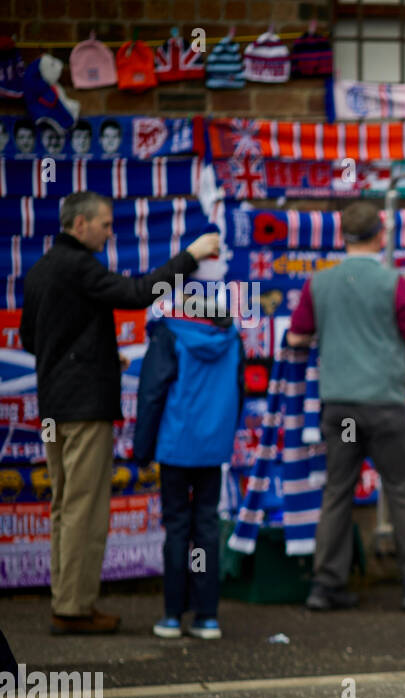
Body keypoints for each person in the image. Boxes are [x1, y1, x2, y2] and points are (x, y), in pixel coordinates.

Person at [20, 191, 221, 635]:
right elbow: (138, 294)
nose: (111, 233)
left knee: (63, 506)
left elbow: (32, 339)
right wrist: (190, 255)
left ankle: (66, 599)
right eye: (105, 224)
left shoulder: (40, 270)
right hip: (84, 407)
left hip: (53, 405)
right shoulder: (80, 266)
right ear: (79, 226)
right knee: (85, 509)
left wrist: (97, 360)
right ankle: (74, 608)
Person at [286, 200, 405, 612]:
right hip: (383, 403)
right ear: (381, 235)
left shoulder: (318, 284)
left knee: (337, 491)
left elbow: (298, 338)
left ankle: (324, 585)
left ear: (342, 237)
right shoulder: (395, 283)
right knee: (400, 492)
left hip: (338, 405)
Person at [133, 298, 244, 640]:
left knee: (178, 528)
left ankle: (171, 615)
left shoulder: (169, 336)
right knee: (207, 528)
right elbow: (239, 392)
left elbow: (151, 393)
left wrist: (142, 449)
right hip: (213, 448)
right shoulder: (232, 338)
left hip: (175, 446)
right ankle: (207, 616)